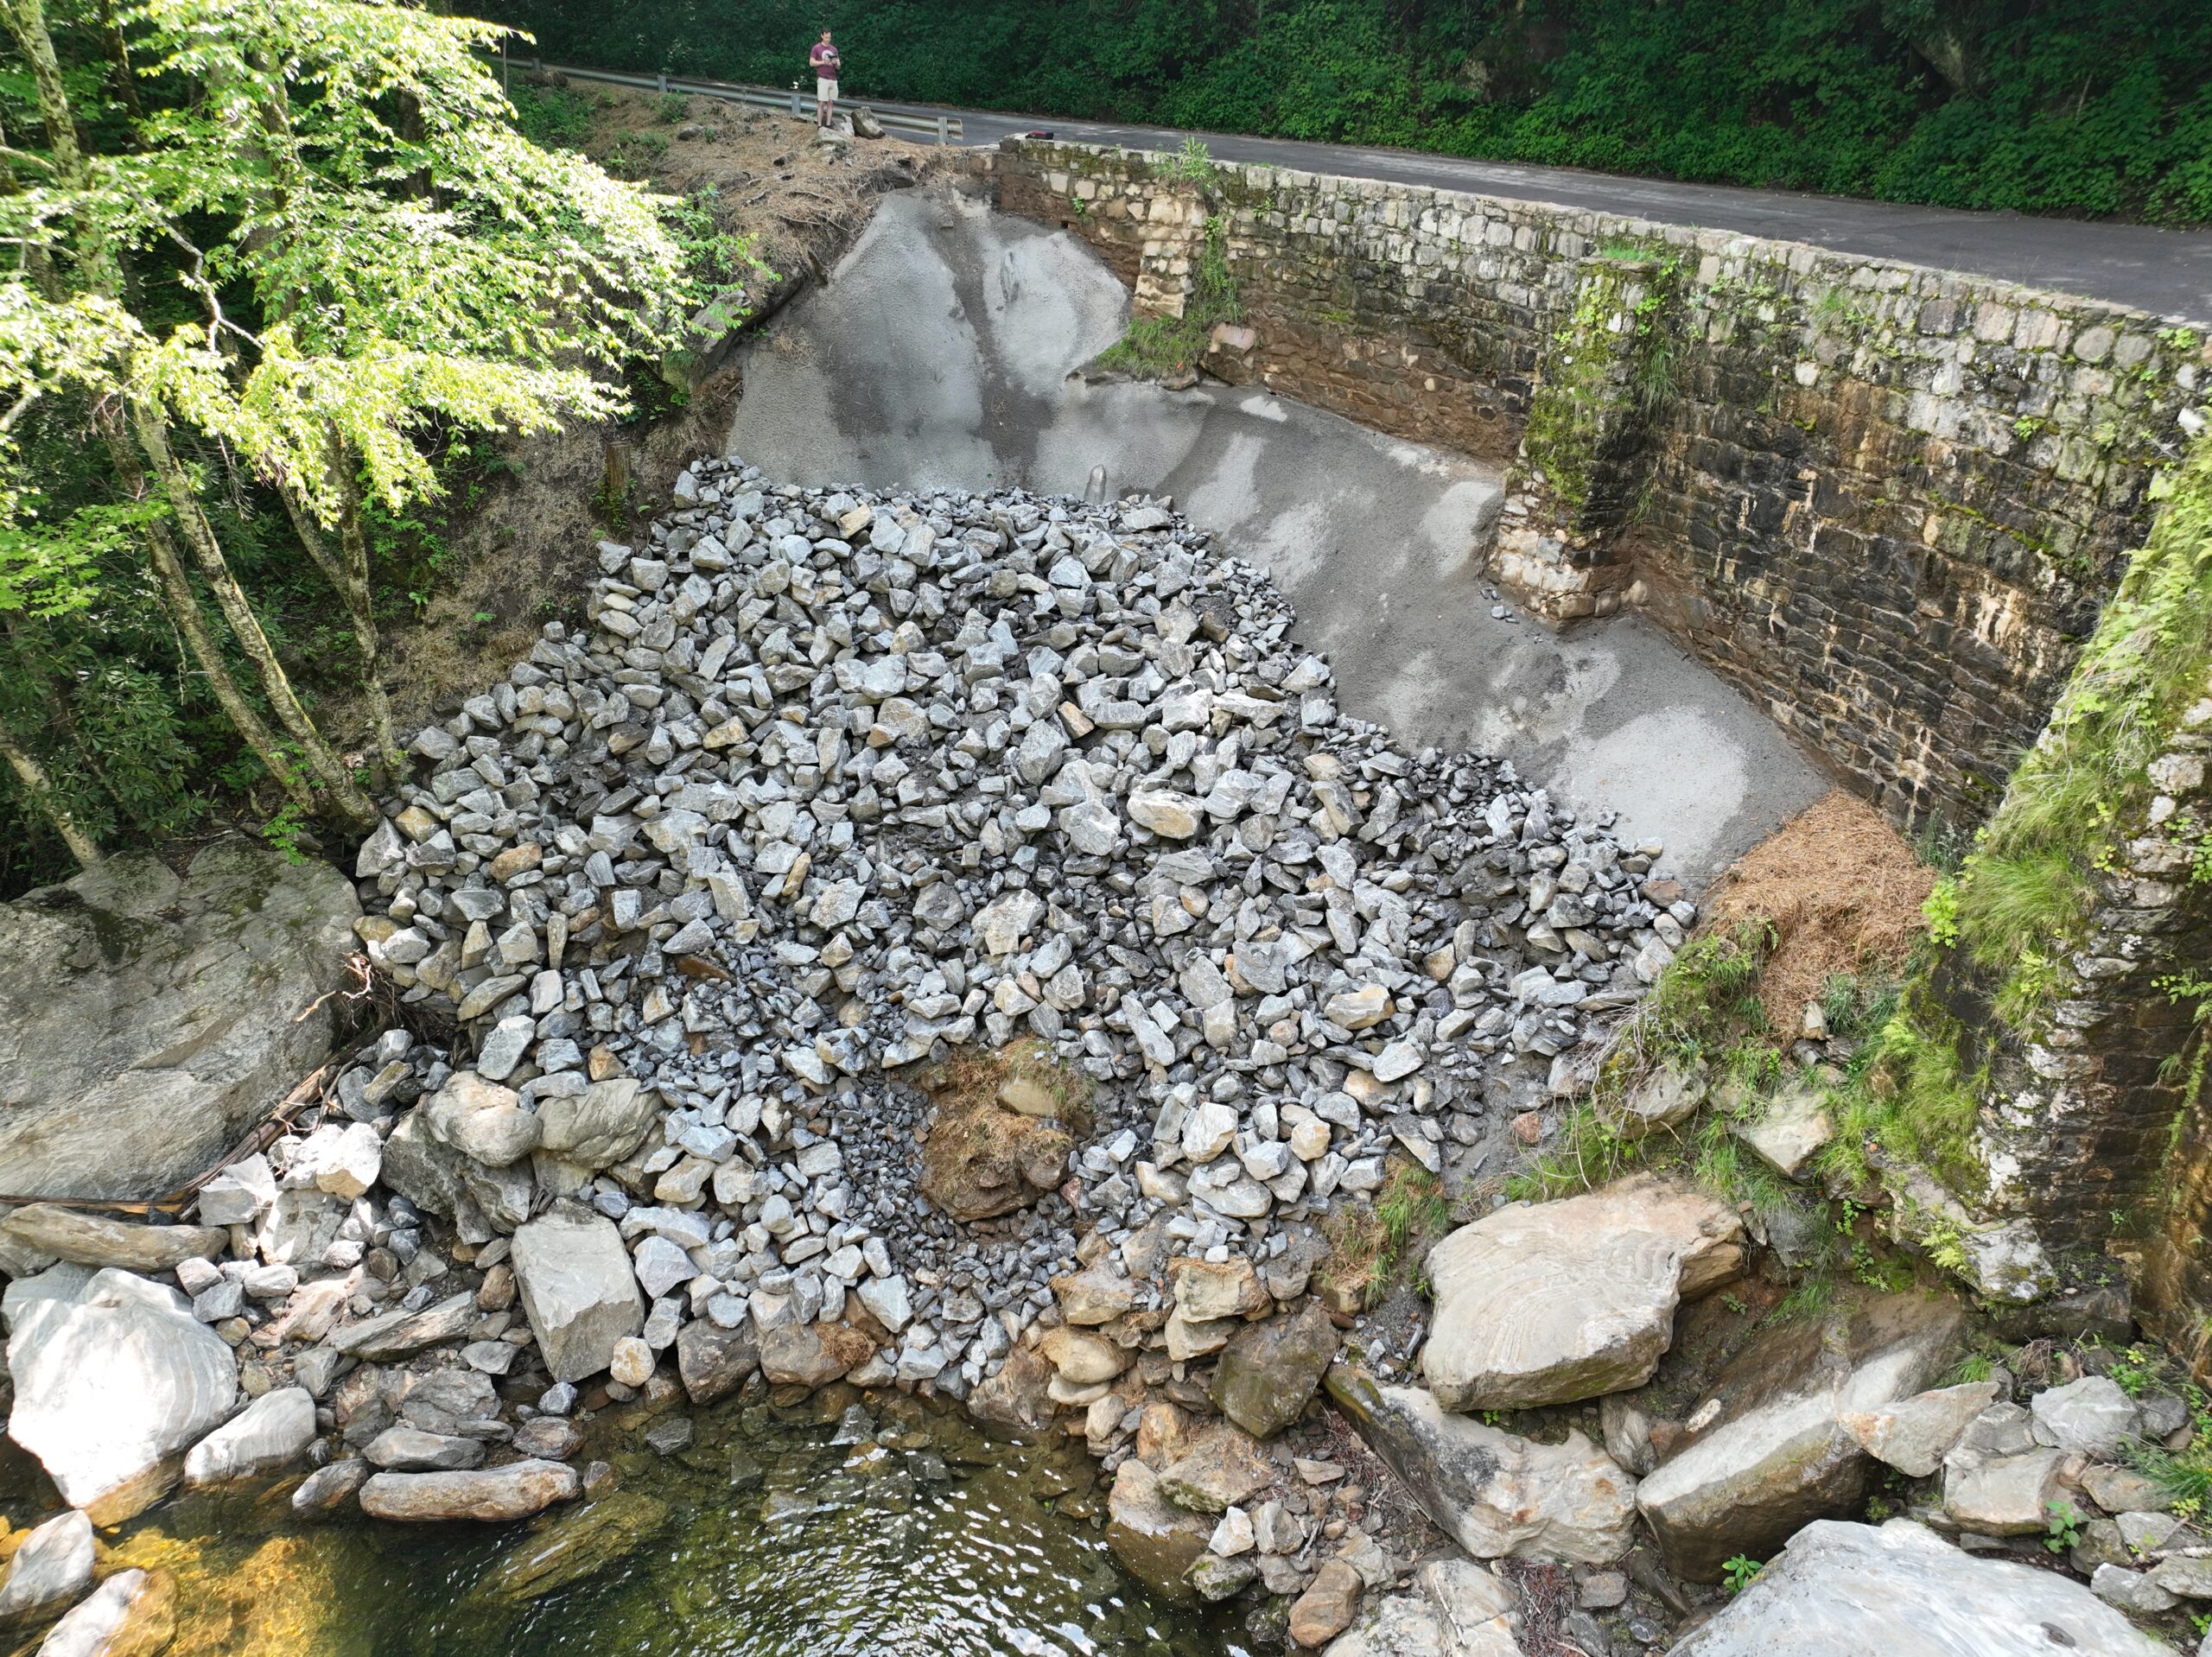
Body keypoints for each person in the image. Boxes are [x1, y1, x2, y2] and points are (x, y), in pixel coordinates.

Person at [810, 30, 841, 128]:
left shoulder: (834, 49)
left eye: (829, 37)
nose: (828, 39)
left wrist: (836, 63)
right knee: (821, 102)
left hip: (833, 78)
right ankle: (819, 125)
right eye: (826, 37)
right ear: (822, 36)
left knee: (831, 102)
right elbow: (811, 63)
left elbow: (839, 66)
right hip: (822, 78)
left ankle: (828, 124)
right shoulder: (816, 48)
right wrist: (823, 62)